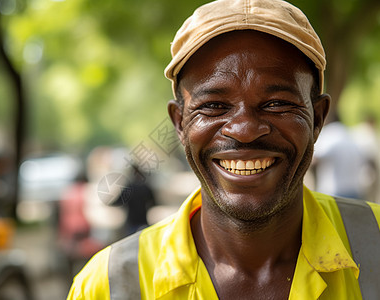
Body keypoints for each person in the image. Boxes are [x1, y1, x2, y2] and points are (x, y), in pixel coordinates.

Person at [67, 0, 380, 299]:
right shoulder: (106, 286)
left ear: (318, 118)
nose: (244, 131)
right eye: (214, 106)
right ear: (179, 124)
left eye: (276, 104)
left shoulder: (374, 241)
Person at [312, 115, 368, 199]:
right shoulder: (349, 134)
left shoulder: (328, 134)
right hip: (354, 190)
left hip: (331, 192)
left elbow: (315, 159)